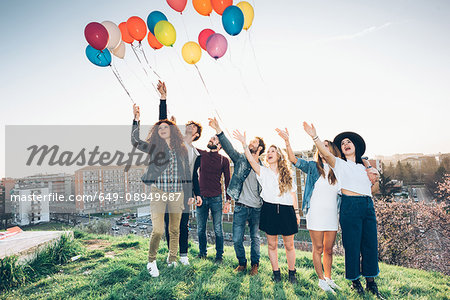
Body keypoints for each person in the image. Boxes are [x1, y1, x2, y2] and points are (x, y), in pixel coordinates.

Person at [303, 122, 383, 299]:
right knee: (353, 246)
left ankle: (371, 283)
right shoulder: (338, 163)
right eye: (343, 143)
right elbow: (324, 153)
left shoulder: (364, 167)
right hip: (350, 206)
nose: (346, 144)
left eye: (349, 142)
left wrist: (376, 179)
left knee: (370, 246)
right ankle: (356, 282)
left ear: (355, 146)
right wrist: (314, 136)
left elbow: (373, 191)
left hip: (368, 206)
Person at [131, 100, 191, 278]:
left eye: (166, 126)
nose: (162, 129)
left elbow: (187, 173)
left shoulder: (182, 149)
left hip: (177, 193)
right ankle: (151, 261)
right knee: (157, 230)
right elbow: (135, 141)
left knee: (174, 229)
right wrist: (136, 120)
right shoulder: (155, 148)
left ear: (172, 129)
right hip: (159, 192)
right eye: (159, 128)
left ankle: (172, 259)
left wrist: (189, 195)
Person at [277, 128, 341, 292]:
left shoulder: (339, 169)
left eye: (326, 145)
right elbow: (293, 159)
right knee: (318, 248)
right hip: (315, 213)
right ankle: (321, 281)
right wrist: (287, 142)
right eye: (321, 146)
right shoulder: (313, 167)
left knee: (328, 250)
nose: (322, 148)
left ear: (332, 150)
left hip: (332, 214)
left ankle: (328, 278)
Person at [233, 130, 300, 284]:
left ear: (279, 156)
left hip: (286, 210)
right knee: (272, 244)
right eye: (268, 151)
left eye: (273, 151)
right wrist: (244, 144)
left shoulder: (287, 174)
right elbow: (250, 160)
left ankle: (292, 273)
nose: (269, 153)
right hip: (269, 210)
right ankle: (276, 273)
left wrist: (296, 212)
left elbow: (293, 195)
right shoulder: (262, 171)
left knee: (289, 245)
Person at [155, 81, 203, 266]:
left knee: (182, 224)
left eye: (193, 126)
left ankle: (183, 256)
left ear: (197, 134)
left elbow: (194, 176)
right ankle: (171, 256)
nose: (189, 126)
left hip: (185, 192)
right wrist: (163, 99)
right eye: (187, 125)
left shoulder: (196, 154)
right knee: (169, 224)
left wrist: (197, 193)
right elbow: (162, 123)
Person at [209, 117, 264, 276]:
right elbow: (229, 148)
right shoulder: (241, 159)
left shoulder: (263, 168)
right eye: (250, 142)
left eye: (254, 142)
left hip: (256, 209)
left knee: (255, 239)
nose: (251, 143)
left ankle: (255, 265)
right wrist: (219, 131)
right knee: (237, 239)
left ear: (260, 148)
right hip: (240, 207)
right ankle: (242, 263)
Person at [194, 135, 231, 262]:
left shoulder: (224, 160)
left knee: (218, 229)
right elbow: (186, 145)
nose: (211, 139)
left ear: (220, 145)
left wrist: (228, 200)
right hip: (201, 198)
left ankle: (219, 256)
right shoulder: (202, 155)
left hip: (216, 198)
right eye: (210, 138)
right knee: (200, 229)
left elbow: (227, 181)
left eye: (214, 139)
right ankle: (202, 253)